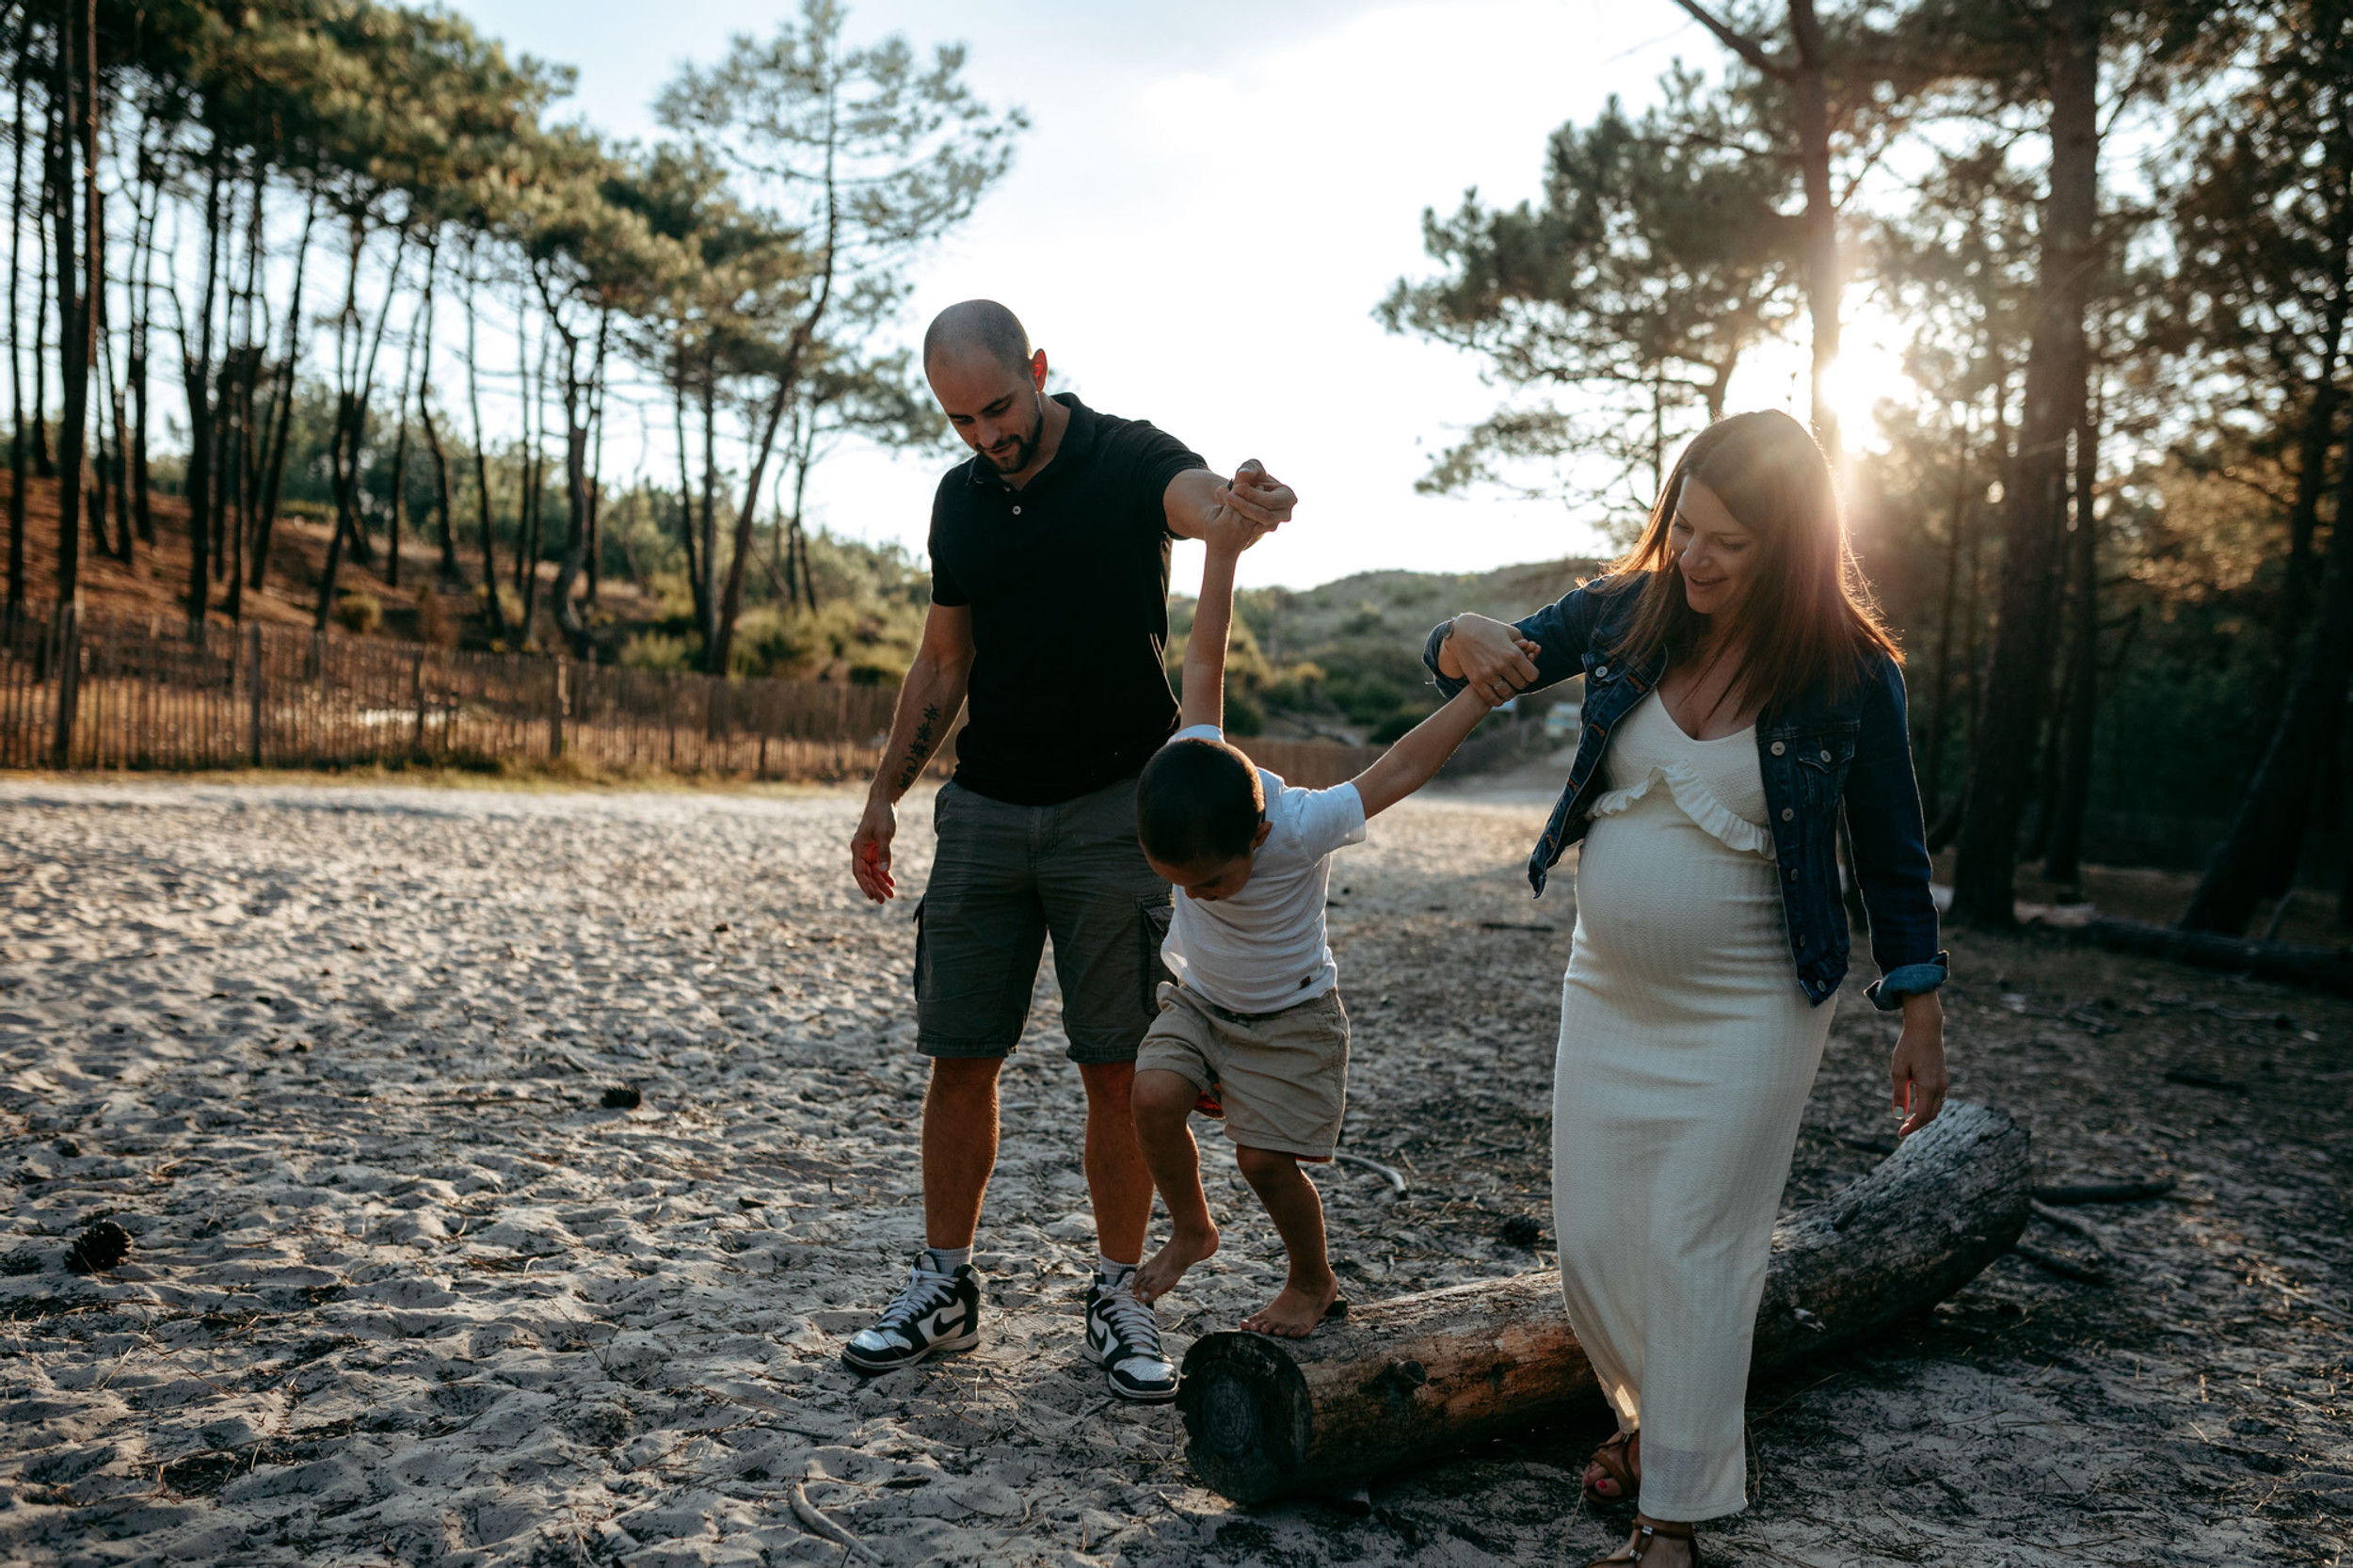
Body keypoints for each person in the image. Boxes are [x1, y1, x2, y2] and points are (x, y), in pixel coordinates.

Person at [1426, 411, 1948, 1568]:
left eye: (1732, 541)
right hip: (1605, 991)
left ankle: (1673, 1522)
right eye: (1685, 528)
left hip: (1756, 1006)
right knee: (1598, 1247)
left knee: (1700, 1246)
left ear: (1796, 545)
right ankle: (1653, 1430)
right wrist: (1452, 632)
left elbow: (1893, 854)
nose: (1697, 558)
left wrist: (1918, 1008)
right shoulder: (1626, 610)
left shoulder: (1852, 675)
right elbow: (1488, 653)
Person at [841, 299, 1297, 1404]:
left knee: (1117, 1068)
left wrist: (1237, 506)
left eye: (998, 407)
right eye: (960, 420)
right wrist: (880, 799)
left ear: (1038, 368)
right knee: (961, 1052)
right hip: (987, 807)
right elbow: (941, 661)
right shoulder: (960, 500)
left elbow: (1198, 506)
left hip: (1114, 811)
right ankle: (943, 1285)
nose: (987, 436)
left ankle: (1118, 1294)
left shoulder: (1124, 455)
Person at [1126, 500, 1526, 1337]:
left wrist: (1478, 698)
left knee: (1267, 1162)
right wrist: (1224, 555)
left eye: (1211, 882)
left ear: (1260, 835)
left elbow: (1402, 765)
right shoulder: (1184, 760)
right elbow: (1207, 656)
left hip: (1294, 1016)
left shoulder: (1301, 823)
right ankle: (1194, 1229)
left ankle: (1311, 1280)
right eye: (1178, 886)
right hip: (1199, 1002)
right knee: (1153, 1095)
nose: (1195, 897)